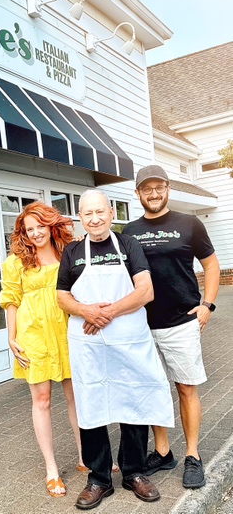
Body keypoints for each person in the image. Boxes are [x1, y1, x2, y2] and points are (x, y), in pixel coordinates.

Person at [57, 189, 174, 510]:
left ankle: (134, 472)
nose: (94, 219)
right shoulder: (72, 252)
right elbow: (62, 296)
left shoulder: (128, 245)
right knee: (91, 402)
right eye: (87, 214)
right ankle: (99, 479)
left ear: (110, 213)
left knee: (133, 400)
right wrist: (85, 311)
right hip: (89, 345)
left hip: (128, 341)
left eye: (100, 212)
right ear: (80, 218)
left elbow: (145, 291)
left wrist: (103, 313)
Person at [123, 165, 220, 489]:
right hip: (141, 323)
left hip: (182, 321)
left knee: (185, 387)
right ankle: (163, 452)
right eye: (146, 189)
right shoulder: (128, 230)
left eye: (158, 187)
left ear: (167, 189)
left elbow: (211, 264)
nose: (153, 193)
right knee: (154, 388)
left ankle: (193, 455)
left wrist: (207, 305)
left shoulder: (188, 223)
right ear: (138, 193)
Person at [0, 201, 84, 498]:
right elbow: (11, 300)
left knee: (76, 394)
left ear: (50, 225)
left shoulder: (68, 252)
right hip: (33, 334)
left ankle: (85, 456)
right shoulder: (16, 261)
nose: (35, 234)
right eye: (29, 229)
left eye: (40, 226)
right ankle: (51, 469)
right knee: (43, 399)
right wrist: (11, 338)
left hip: (66, 329)